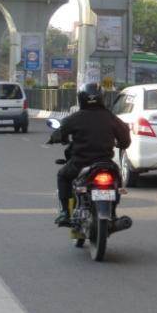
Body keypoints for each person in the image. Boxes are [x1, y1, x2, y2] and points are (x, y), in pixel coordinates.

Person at [49, 83, 131, 226]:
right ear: (101, 98)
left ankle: (64, 212)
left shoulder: (74, 118)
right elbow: (125, 137)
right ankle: (113, 214)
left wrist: (56, 138)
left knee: (62, 176)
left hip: (81, 163)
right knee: (116, 182)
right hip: (106, 163)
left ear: (81, 98)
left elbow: (59, 133)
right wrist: (122, 144)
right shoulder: (110, 117)